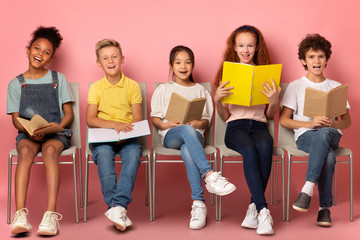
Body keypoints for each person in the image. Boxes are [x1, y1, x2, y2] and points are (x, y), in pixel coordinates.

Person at [151, 45, 236, 230]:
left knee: (187, 146)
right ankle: (209, 174)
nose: (183, 66)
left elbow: (206, 120)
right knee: (184, 131)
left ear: (193, 65)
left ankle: (199, 204)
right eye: (178, 62)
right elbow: (156, 118)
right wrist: (166, 124)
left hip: (194, 136)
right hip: (171, 135)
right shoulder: (164, 89)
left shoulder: (200, 90)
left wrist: (199, 124)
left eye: (188, 62)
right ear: (171, 65)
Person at [7, 26, 74, 236]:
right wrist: (29, 130)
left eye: (47, 52)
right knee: (25, 153)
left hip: (55, 132)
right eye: (37, 48)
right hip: (28, 133)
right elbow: (16, 119)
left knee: (50, 153)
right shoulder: (16, 84)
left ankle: (51, 215)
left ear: (51, 58)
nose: (40, 54)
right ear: (28, 50)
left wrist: (57, 127)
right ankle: (20, 214)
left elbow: (69, 113)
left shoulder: (58, 79)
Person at [213, 25, 280, 235]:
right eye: (241, 45)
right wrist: (217, 99)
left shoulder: (265, 74)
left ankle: (253, 208)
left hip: (259, 125)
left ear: (257, 47)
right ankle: (263, 210)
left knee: (266, 144)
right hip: (235, 127)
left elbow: (269, 116)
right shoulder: (227, 74)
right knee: (250, 149)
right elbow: (224, 117)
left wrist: (273, 100)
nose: (245, 50)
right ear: (234, 47)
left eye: (250, 45)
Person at [280, 34, 351, 227]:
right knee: (328, 156)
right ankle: (324, 209)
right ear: (303, 60)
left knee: (324, 133)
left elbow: (346, 121)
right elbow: (284, 120)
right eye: (311, 57)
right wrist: (310, 124)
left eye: (320, 56)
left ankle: (307, 188)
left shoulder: (335, 87)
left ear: (327, 59)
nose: (316, 61)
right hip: (305, 136)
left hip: (331, 134)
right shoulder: (295, 86)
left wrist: (332, 124)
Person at [86, 39, 143, 231]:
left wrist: (124, 133)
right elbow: (91, 119)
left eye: (114, 56)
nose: (110, 61)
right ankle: (116, 207)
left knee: (134, 154)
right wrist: (115, 126)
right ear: (99, 63)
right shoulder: (96, 87)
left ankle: (117, 206)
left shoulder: (133, 86)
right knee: (103, 155)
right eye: (105, 58)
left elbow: (137, 119)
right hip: (103, 136)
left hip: (128, 136)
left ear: (122, 59)